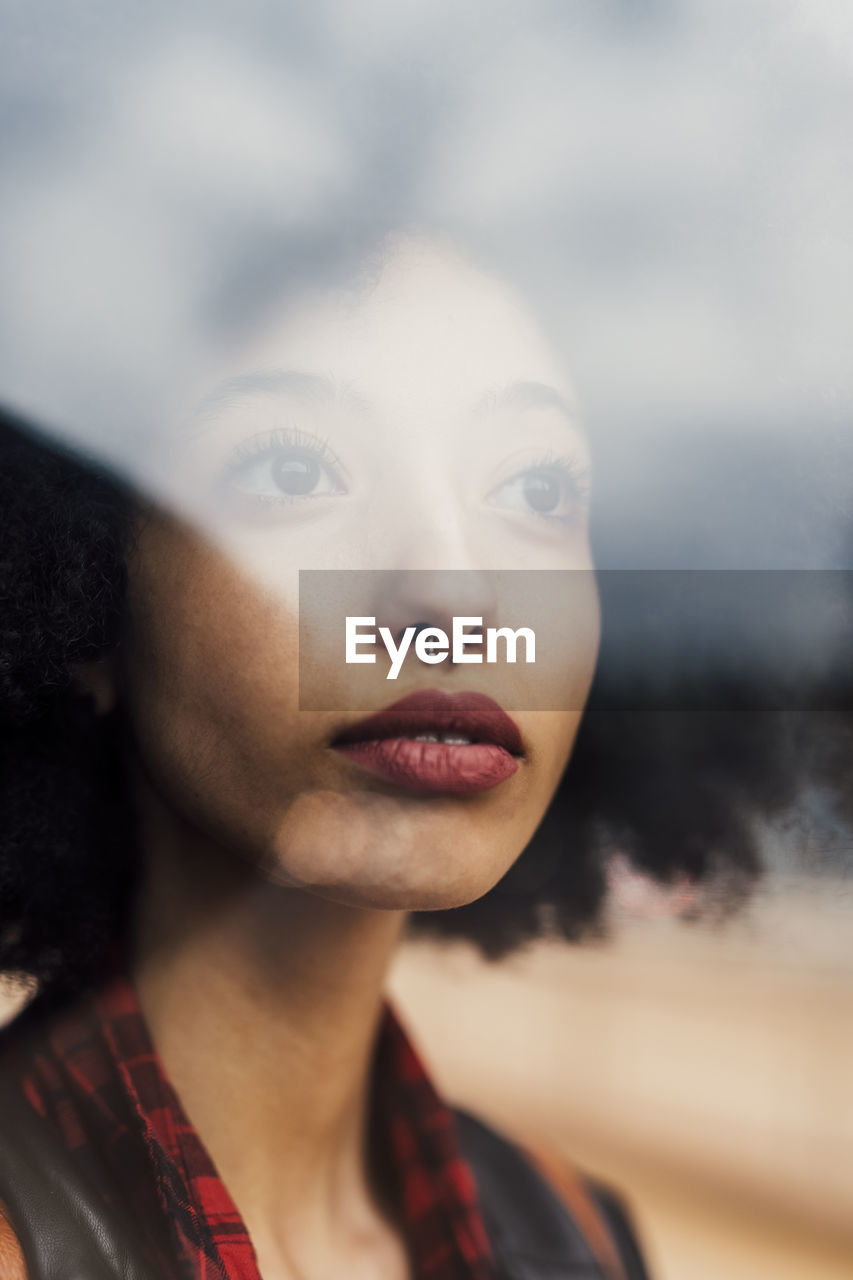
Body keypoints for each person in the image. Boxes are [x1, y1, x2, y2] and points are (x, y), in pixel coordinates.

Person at [0, 232, 782, 1280]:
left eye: (539, 490)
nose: (455, 593)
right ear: (86, 579)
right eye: (293, 467)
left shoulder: (583, 1234)